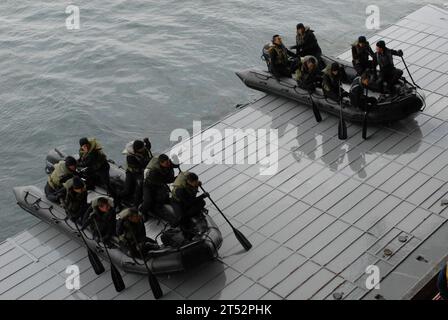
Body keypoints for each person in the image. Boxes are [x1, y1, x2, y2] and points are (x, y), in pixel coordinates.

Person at [140, 154, 178, 221]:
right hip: (149, 185)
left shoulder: (168, 163)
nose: (168, 164)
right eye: (166, 163)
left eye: (168, 161)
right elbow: (166, 181)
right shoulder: (154, 171)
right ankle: (143, 212)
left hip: (159, 183)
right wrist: (176, 178)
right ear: (160, 163)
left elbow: (175, 165)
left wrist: (176, 161)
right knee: (148, 201)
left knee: (164, 197)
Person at [120, 138, 152, 206]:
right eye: (142, 148)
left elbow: (148, 147)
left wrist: (147, 141)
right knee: (134, 187)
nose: (144, 148)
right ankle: (134, 204)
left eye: (144, 147)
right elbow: (140, 166)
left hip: (143, 170)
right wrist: (148, 161)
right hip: (133, 173)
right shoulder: (130, 157)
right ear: (137, 150)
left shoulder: (144, 149)